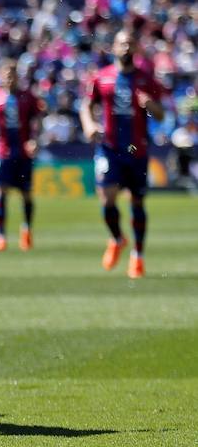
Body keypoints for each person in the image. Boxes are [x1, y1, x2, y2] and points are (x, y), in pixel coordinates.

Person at [79, 30, 166, 279]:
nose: (126, 47)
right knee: (106, 199)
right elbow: (86, 104)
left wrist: (150, 105)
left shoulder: (146, 79)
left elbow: (161, 115)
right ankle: (117, 238)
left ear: (136, 48)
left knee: (137, 202)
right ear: (114, 48)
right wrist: (88, 125)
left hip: (136, 149)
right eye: (121, 43)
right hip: (110, 148)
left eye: (130, 43)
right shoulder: (102, 77)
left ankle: (137, 256)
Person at [0, 60, 44, 252]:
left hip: (24, 154)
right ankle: (0, 236)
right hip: (4, 154)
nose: (9, 77)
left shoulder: (28, 97)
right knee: (0, 192)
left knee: (26, 194)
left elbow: (37, 120)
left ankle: (27, 230)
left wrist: (35, 139)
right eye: (6, 74)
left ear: (17, 76)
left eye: (13, 74)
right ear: (1, 76)